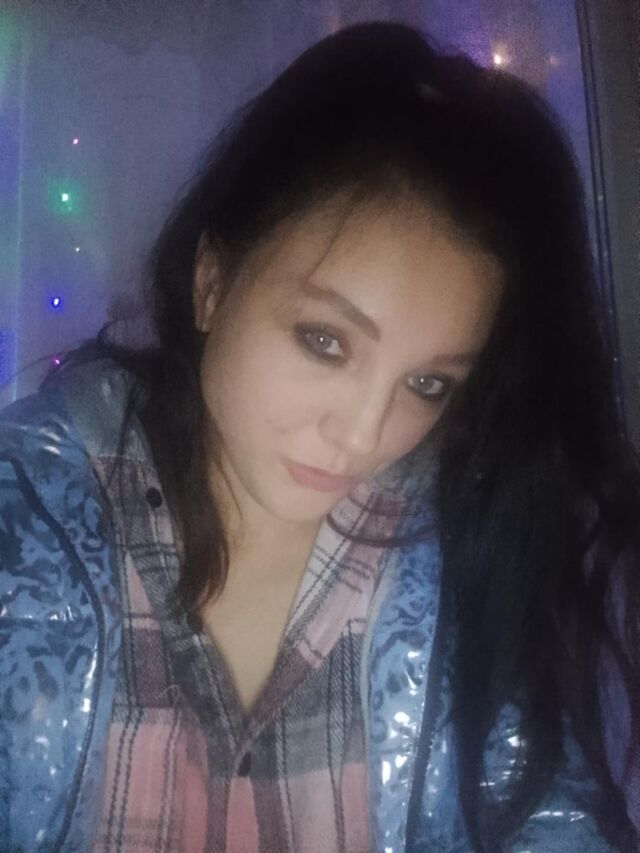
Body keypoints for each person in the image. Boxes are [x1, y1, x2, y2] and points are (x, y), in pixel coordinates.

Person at [0, 20, 638, 853]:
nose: (365, 433)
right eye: (325, 340)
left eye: (428, 383)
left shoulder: (467, 558)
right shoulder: (23, 523)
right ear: (212, 280)